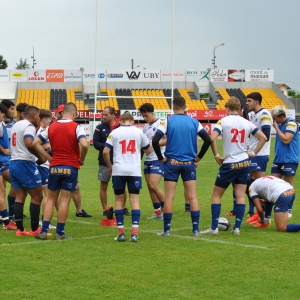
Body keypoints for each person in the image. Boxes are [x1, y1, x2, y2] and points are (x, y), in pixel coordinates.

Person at [200, 96, 267, 236]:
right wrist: (253, 153)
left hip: (230, 163)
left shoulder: (223, 121)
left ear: (228, 108)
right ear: (239, 109)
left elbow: (211, 138)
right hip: (244, 163)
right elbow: (264, 138)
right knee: (240, 195)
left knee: (216, 195)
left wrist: (217, 155)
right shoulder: (246, 122)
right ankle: (237, 228)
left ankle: (214, 228)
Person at [152, 96, 211, 236]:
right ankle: (195, 230)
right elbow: (208, 140)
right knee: (193, 197)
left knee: (169, 197)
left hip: (171, 163)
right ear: (185, 107)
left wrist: (161, 158)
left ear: (174, 107)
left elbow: (155, 141)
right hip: (188, 163)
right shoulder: (194, 122)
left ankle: (166, 231)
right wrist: (198, 157)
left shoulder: (167, 120)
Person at [34, 103, 88, 240]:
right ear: (74, 113)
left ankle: (44, 231)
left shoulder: (52, 126)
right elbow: (85, 145)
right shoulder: (76, 127)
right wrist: (81, 159)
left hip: (55, 166)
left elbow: (35, 143)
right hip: (70, 167)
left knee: (50, 199)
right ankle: (59, 233)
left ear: (62, 112)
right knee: (64, 200)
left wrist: (48, 158)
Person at [102, 113, 151, 242]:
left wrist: (110, 166)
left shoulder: (115, 132)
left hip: (118, 170)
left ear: (120, 121)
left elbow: (105, 151)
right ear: (132, 121)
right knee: (134, 201)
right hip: (134, 170)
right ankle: (134, 234)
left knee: (119, 200)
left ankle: (121, 233)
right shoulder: (139, 132)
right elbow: (148, 150)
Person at [10, 106, 46, 236]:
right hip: (25, 162)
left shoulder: (16, 125)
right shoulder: (29, 126)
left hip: (13, 162)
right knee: (37, 196)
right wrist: (40, 156)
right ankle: (35, 229)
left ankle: (20, 230)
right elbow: (29, 143)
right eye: (39, 116)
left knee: (20, 196)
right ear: (34, 116)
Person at [55, 104, 92, 218]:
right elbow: (85, 145)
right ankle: (58, 217)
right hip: (63, 163)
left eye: (62, 112)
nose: (61, 114)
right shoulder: (54, 126)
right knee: (57, 194)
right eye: (60, 112)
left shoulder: (59, 126)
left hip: (61, 163)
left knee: (75, 187)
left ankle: (79, 210)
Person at [93, 106, 130, 217]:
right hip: (104, 161)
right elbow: (95, 143)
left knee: (122, 186)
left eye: (106, 114)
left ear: (114, 115)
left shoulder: (122, 127)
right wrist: (108, 146)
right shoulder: (99, 128)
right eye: (103, 114)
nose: (103, 116)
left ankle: (122, 208)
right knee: (104, 186)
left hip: (120, 161)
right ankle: (105, 209)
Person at [245, 92, 272, 222]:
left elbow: (265, 135)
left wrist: (254, 151)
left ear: (256, 102)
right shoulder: (251, 114)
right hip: (251, 153)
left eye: (249, 101)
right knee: (248, 184)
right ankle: (256, 212)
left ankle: (265, 216)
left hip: (259, 154)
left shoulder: (265, 115)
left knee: (260, 187)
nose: (246, 103)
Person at [270, 105, 299, 219]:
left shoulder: (291, 124)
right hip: (278, 159)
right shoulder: (281, 124)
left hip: (289, 159)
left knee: (288, 186)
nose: (274, 121)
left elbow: (287, 140)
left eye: (275, 118)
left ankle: (289, 210)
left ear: (281, 117)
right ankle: (276, 207)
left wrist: (276, 128)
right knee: (273, 184)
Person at [139, 103, 165, 220]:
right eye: (143, 116)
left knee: (154, 185)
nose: (145, 118)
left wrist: (154, 144)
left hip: (158, 159)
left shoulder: (161, 123)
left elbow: (167, 140)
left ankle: (166, 209)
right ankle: (157, 212)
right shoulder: (145, 127)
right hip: (148, 160)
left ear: (152, 112)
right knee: (150, 186)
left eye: (146, 115)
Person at [36, 109, 56, 230]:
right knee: (48, 194)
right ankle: (44, 221)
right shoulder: (42, 132)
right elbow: (47, 148)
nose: (50, 121)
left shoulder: (37, 130)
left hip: (38, 165)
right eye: (49, 119)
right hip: (42, 166)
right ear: (44, 119)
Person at [0, 103, 16, 230]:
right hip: (3, 160)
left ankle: (6, 218)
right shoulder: (0, 124)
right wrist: (3, 150)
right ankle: (8, 218)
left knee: (3, 190)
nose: (4, 115)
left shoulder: (3, 124)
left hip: (4, 160)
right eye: (3, 112)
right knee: (17, 183)